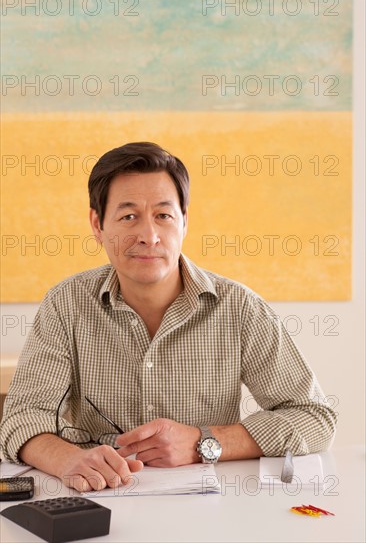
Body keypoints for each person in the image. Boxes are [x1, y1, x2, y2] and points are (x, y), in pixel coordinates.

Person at [0, 142, 337, 492]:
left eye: (163, 215)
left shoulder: (240, 308)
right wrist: (67, 458)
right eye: (129, 216)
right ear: (98, 224)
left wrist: (202, 443)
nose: (149, 236)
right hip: (101, 501)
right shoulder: (65, 305)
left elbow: (314, 418)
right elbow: (21, 418)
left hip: (211, 508)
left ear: (184, 221)